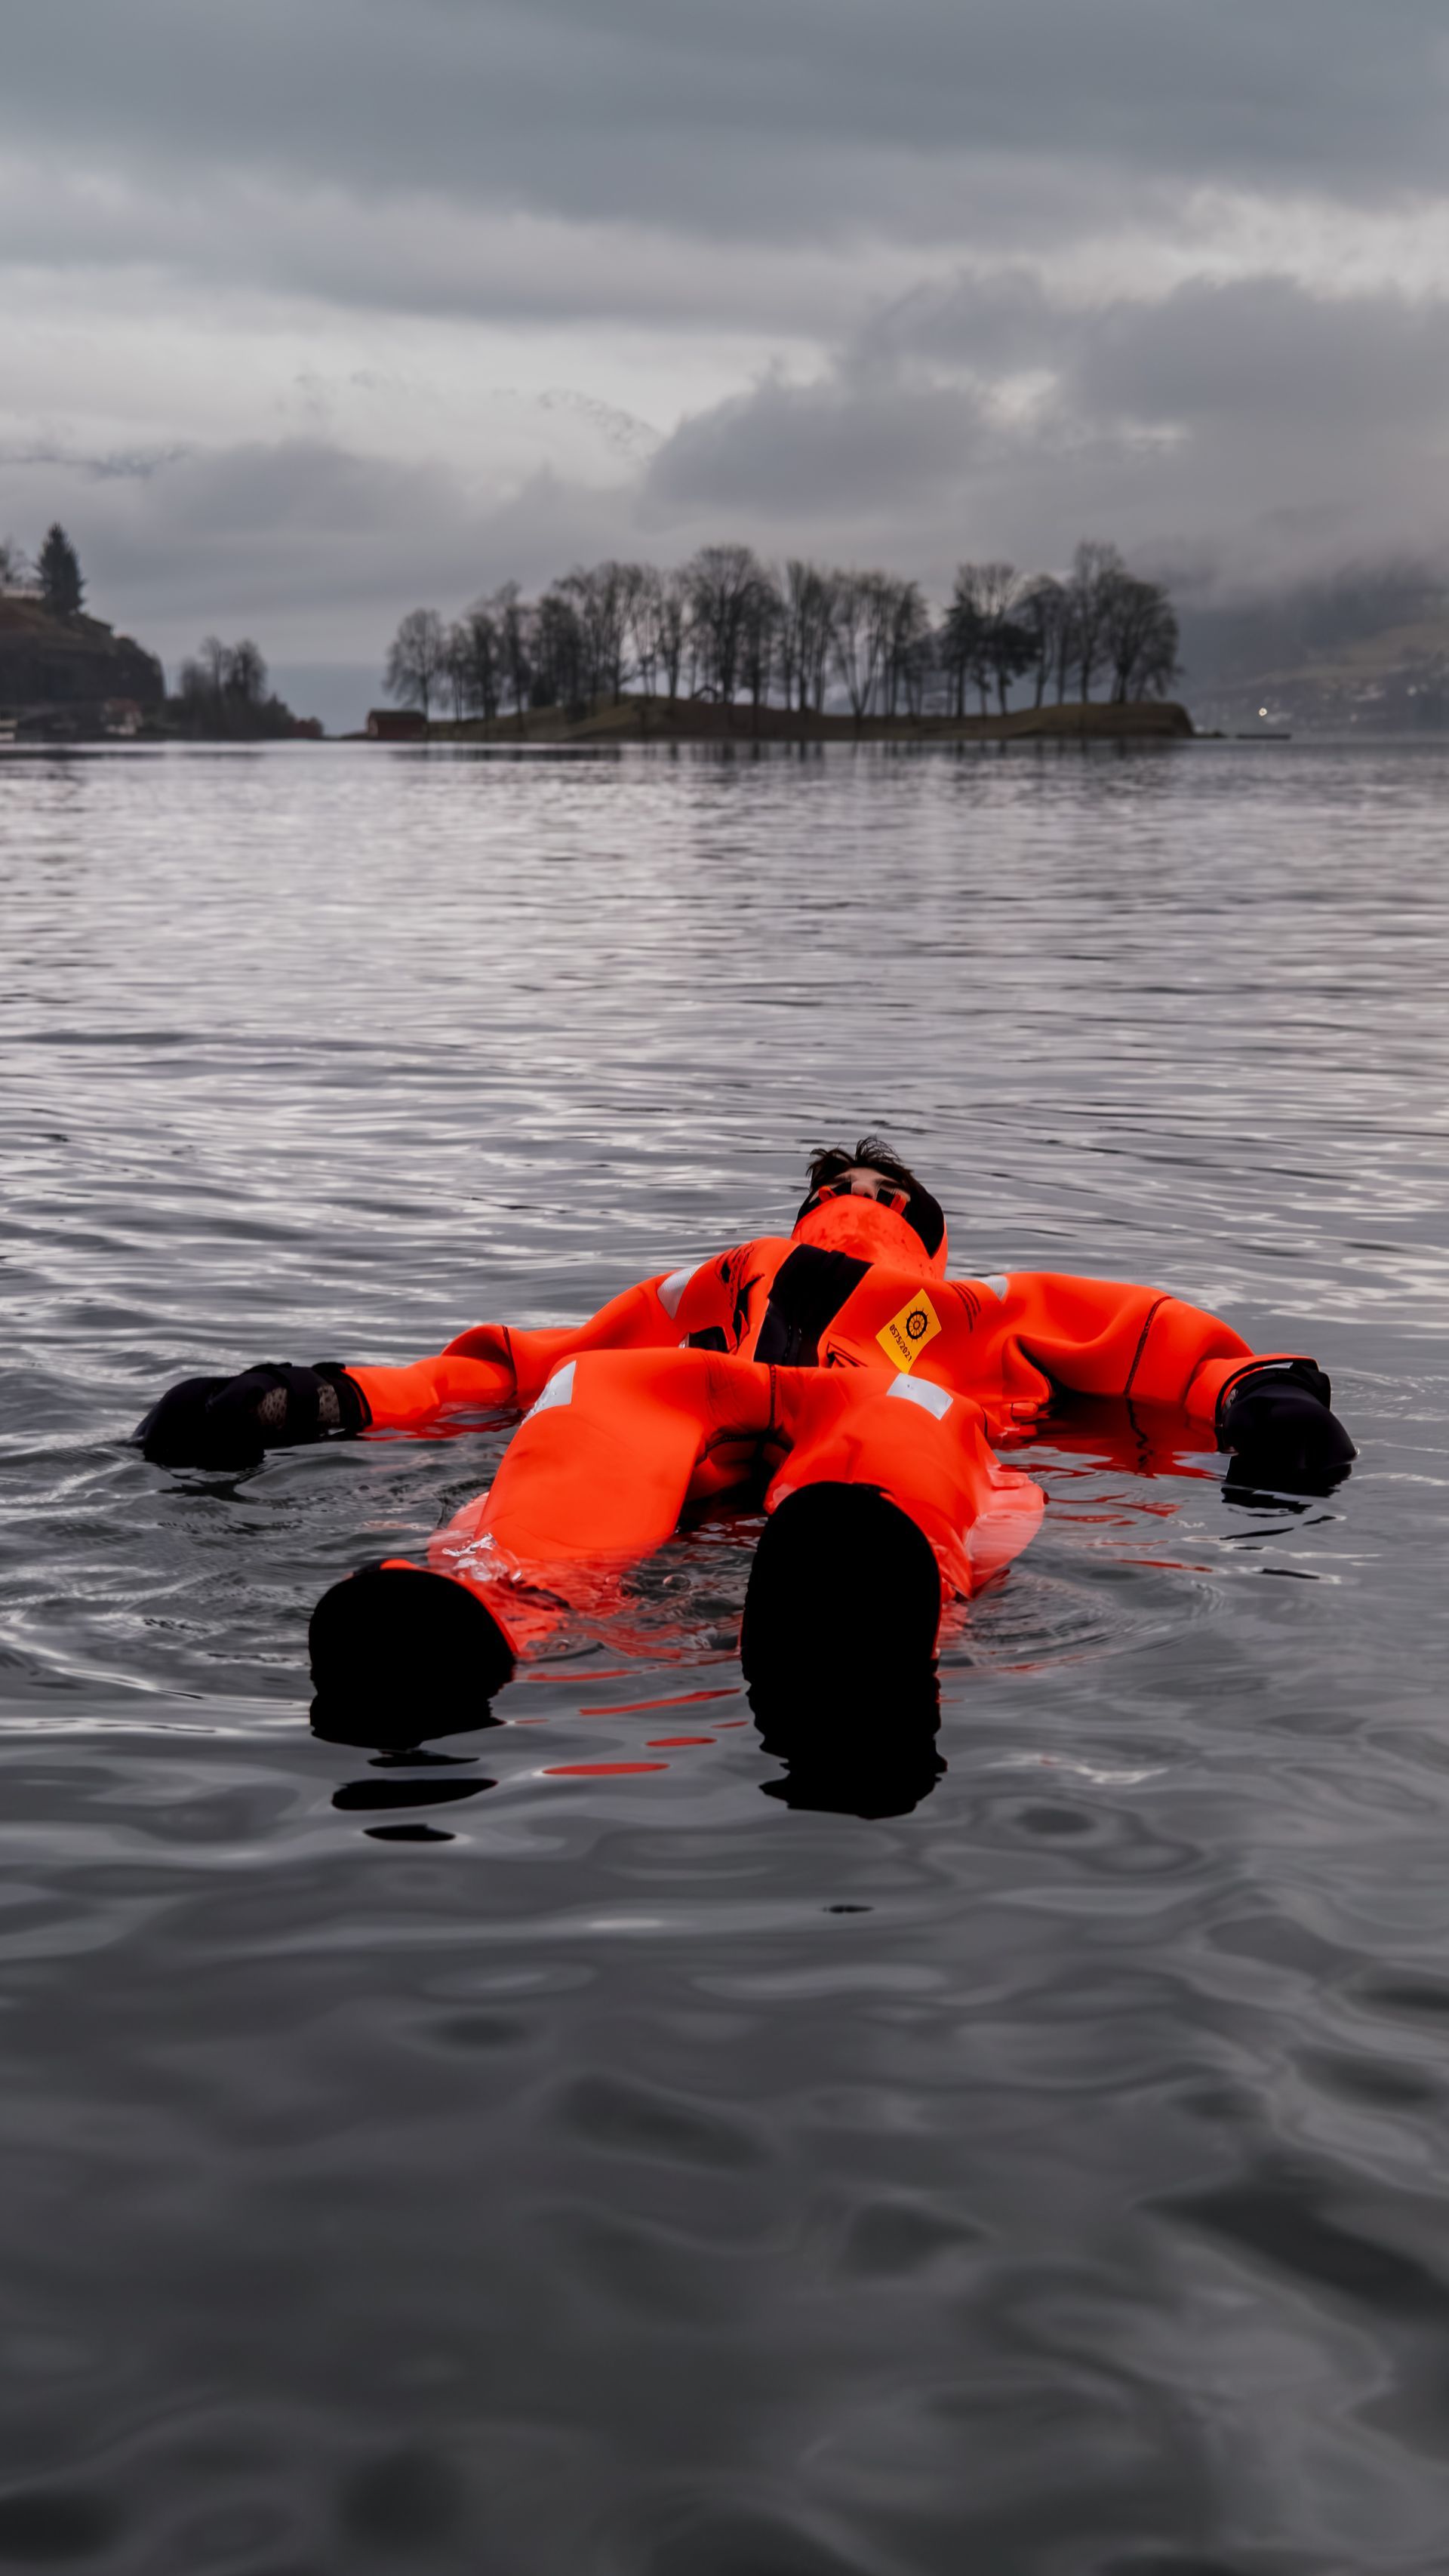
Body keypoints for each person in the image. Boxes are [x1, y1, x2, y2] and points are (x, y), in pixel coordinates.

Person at [137, 1137, 1355, 1706]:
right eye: (843, 1187)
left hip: (877, 1405)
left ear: (923, 1223)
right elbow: (518, 1369)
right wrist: (328, 1393)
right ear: (806, 1203)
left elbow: (1145, 1336)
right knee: (598, 1396)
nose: (859, 1200)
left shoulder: (973, 1305)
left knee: (907, 1413)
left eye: (885, 1192)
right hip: (688, 1388)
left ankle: (868, 1581)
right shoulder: (703, 1286)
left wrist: (1256, 1391)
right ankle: (480, 1603)